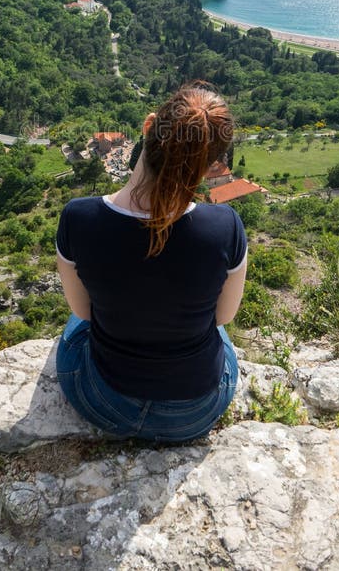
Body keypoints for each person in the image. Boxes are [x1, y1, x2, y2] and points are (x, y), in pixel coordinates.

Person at [55, 81, 247, 442]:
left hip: (103, 400)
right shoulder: (226, 227)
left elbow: (83, 312)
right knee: (212, 328)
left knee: (74, 321)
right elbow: (223, 317)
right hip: (194, 412)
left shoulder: (78, 217)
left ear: (147, 126)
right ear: (212, 165)